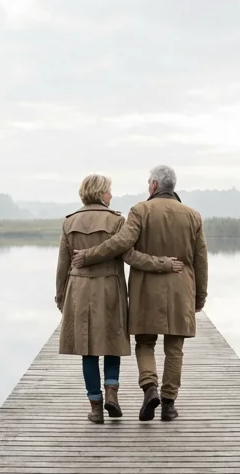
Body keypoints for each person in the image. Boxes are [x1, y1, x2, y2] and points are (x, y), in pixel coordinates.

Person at [72, 165, 207, 422]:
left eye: (148, 183)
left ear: (154, 186)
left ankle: (149, 387)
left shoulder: (140, 211)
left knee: (145, 343)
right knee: (174, 349)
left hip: (146, 290)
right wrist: (200, 297)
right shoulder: (193, 216)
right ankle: (168, 405)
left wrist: (88, 256)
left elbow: (122, 246)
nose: (148, 187)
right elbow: (201, 261)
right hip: (181, 291)